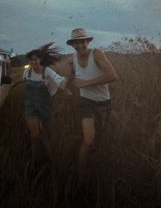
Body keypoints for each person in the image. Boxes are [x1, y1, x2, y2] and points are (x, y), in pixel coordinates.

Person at [66, 28, 118, 184]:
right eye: (76, 42)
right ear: (72, 45)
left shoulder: (97, 53)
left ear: (87, 42)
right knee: (89, 140)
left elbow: (113, 76)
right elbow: (74, 74)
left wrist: (86, 83)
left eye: (82, 41)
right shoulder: (72, 59)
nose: (80, 45)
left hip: (103, 103)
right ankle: (82, 177)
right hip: (85, 102)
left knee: (97, 142)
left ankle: (94, 170)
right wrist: (66, 86)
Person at [22, 42, 68, 167]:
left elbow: (59, 81)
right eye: (31, 60)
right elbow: (24, 83)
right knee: (34, 134)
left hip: (44, 106)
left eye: (36, 60)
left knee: (47, 134)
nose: (33, 62)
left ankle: (50, 159)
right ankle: (35, 162)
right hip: (30, 106)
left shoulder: (47, 71)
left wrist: (67, 83)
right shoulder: (27, 73)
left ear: (40, 60)